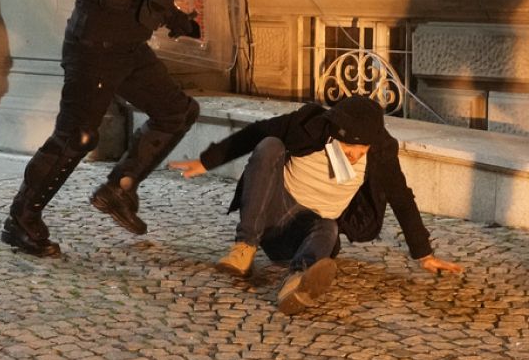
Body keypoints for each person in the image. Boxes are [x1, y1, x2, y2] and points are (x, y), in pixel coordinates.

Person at [0, 0, 210, 258]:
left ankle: (120, 188)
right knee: (76, 136)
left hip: (128, 46)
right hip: (94, 45)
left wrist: (177, 19)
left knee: (178, 112)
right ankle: (21, 219)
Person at [169, 95, 464, 314]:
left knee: (329, 228)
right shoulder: (307, 126)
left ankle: (297, 282)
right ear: (336, 134)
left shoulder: (381, 151)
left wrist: (423, 253)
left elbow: (400, 195)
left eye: (363, 149)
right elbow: (255, 133)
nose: (356, 155)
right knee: (269, 145)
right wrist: (206, 162)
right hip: (272, 215)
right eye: (350, 148)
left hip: (306, 233)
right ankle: (244, 247)